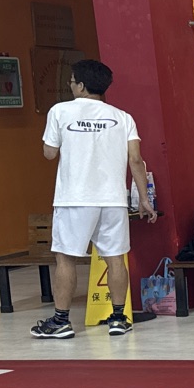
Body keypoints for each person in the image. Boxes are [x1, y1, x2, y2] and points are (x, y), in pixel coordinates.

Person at [33, 59, 156, 339]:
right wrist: (144, 199)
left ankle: (61, 322)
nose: (70, 85)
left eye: (72, 81)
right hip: (113, 200)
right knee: (115, 259)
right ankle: (118, 319)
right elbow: (136, 160)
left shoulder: (60, 111)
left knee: (65, 259)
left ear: (81, 85)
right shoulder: (123, 117)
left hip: (74, 199)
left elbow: (49, 153)